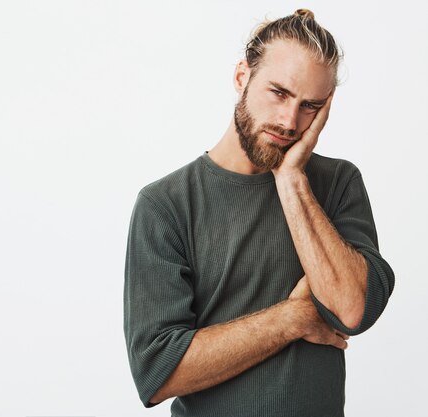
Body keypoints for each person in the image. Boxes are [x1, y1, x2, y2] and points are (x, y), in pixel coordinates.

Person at [123, 9, 395, 417]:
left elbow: (353, 309)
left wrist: (291, 180)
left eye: (310, 106)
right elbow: (158, 372)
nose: (290, 121)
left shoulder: (338, 183)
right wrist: (296, 316)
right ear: (241, 77)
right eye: (279, 93)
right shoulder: (166, 204)